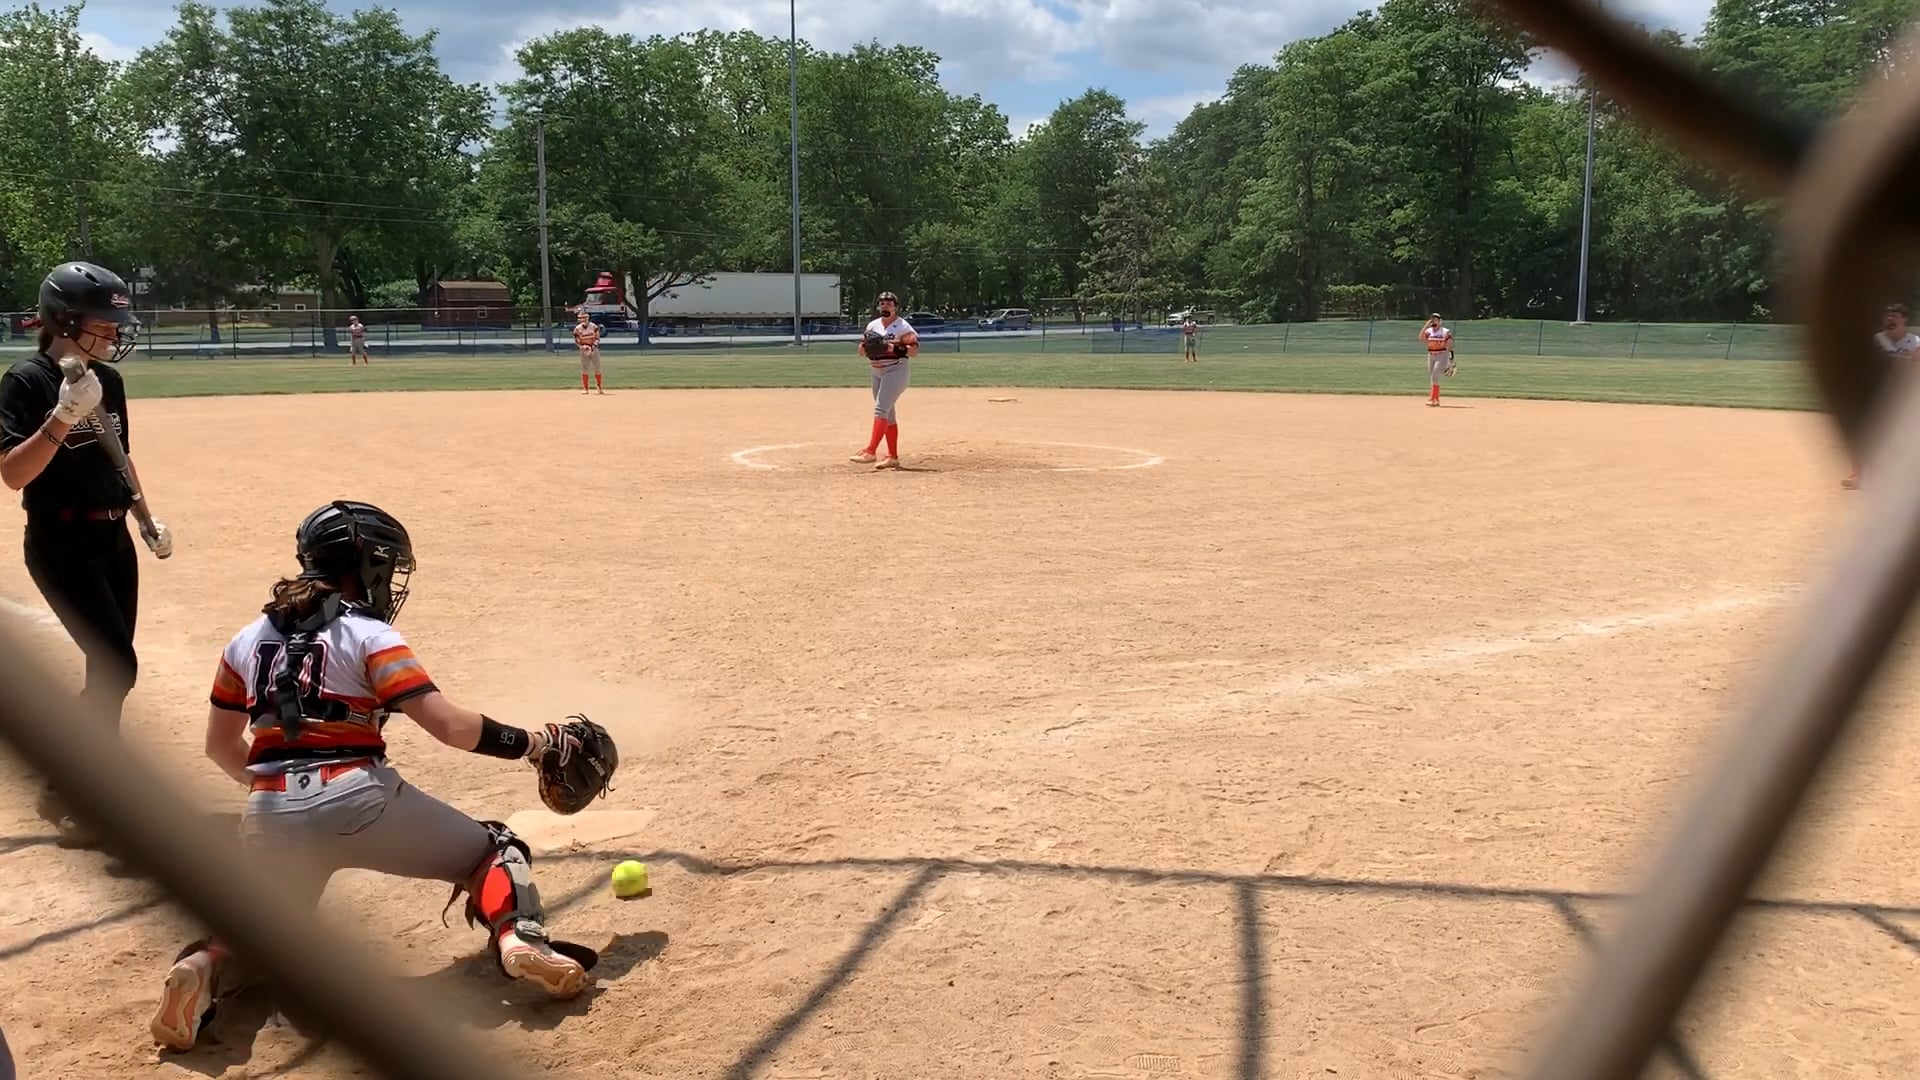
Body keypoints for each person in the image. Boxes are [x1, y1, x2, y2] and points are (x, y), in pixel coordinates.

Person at [150, 499, 610, 1051]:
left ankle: (202, 965)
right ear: (365, 566)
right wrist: (536, 744)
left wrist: (283, 796)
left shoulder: (245, 639)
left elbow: (220, 746)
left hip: (269, 810)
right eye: (387, 567)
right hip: (358, 794)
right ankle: (519, 938)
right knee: (492, 850)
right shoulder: (368, 634)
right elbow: (451, 727)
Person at [0, 261, 172, 845]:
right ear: (65, 321)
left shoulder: (109, 381)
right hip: (60, 542)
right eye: (105, 323)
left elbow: (119, 456)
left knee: (110, 670)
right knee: (116, 665)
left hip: (112, 537)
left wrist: (145, 517)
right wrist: (62, 415)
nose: (115, 334)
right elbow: (13, 474)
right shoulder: (25, 381)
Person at [1845, 303, 1920, 489]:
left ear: (1905, 319)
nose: (1890, 319)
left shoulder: (1915, 342)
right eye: (1888, 316)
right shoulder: (1877, 340)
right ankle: (1857, 476)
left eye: (1895, 316)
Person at [851, 291, 917, 469]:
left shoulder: (903, 327)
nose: (885, 305)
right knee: (888, 415)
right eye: (882, 303)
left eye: (889, 302)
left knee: (880, 410)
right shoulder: (873, 326)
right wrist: (866, 348)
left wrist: (891, 347)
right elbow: (861, 350)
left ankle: (870, 451)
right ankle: (892, 457)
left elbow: (914, 351)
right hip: (876, 372)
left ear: (895, 306)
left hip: (896, 370)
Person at [1419, 313, 1455, 407]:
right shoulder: (1428, 331)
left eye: (1436, 319)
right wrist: (1426, 325)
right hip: (1431, 355)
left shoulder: (1445, 331)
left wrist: (1450, 359)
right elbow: (1421, 338)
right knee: (1433, 377)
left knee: (1435, 374)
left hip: (1441, 354)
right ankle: (1435, 399)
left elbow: (1449, 344)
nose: (1434, 321)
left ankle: (1433, 399)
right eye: (1433, 319)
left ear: (1440, 321)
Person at [573, 310, 604, 395]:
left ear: (588, 318)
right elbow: (577, 340)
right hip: (584, 350)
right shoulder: (577, 329)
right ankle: (585, 388)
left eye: (585, 317)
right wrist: (582, 347)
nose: (584, 319)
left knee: (597, 368)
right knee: (585, 369)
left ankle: (599, 386)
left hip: (594, 349)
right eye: (581, 318)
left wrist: (593, 346)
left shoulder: (594, 326)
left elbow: (597, 338)